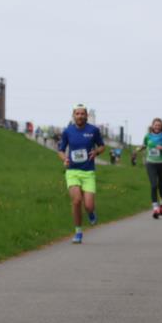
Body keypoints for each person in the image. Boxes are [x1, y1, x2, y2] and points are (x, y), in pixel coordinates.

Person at [57, 104, 105, 244]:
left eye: (82, 113)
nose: (80, 116)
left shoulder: (93, 130)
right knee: (77, 201)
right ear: (73, 115)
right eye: (77, 113)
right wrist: (64, 159)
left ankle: (90, 213)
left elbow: (102, 146)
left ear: (86, 115)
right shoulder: (68, 131)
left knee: (89, 205)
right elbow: (60, 150)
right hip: (72, 171)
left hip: (88, 172)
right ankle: (78, 232)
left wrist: (96, 152)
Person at [137, 118, 162, 219]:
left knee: (161, 185)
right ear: (152, 126)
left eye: (159, 125)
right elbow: (145, 145)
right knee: (153, 185)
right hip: (151, 163)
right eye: (155, 125)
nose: (157, 127)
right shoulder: (147, 136)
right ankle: (155, 208)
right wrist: (139, 149)